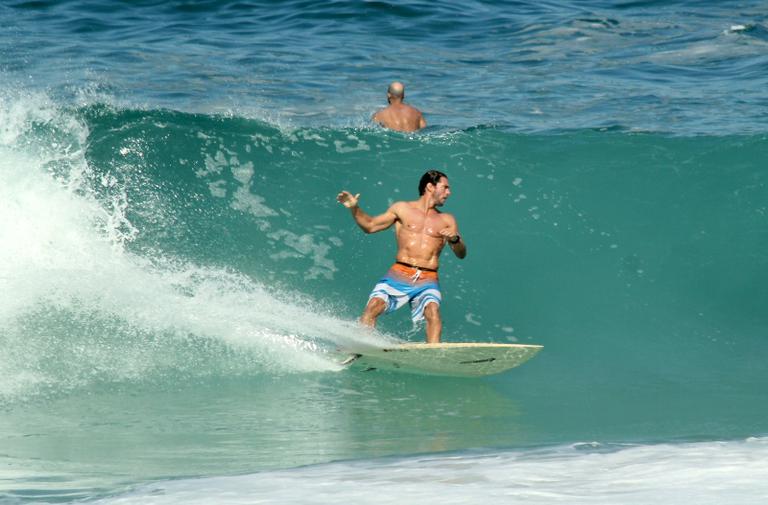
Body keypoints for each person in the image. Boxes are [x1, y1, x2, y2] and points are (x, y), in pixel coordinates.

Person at [337, 170, 466, 343]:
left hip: (428, 277)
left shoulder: (447, 219)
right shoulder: (402, 209)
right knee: (373, 306)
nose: (449, 192)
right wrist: (354, 208)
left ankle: (433, 354)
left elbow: (461, 253)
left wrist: (455, 239)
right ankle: (361, 346)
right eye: (445, 187)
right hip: (400, 272)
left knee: (432, 312)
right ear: (430, 186)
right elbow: (370, 226)